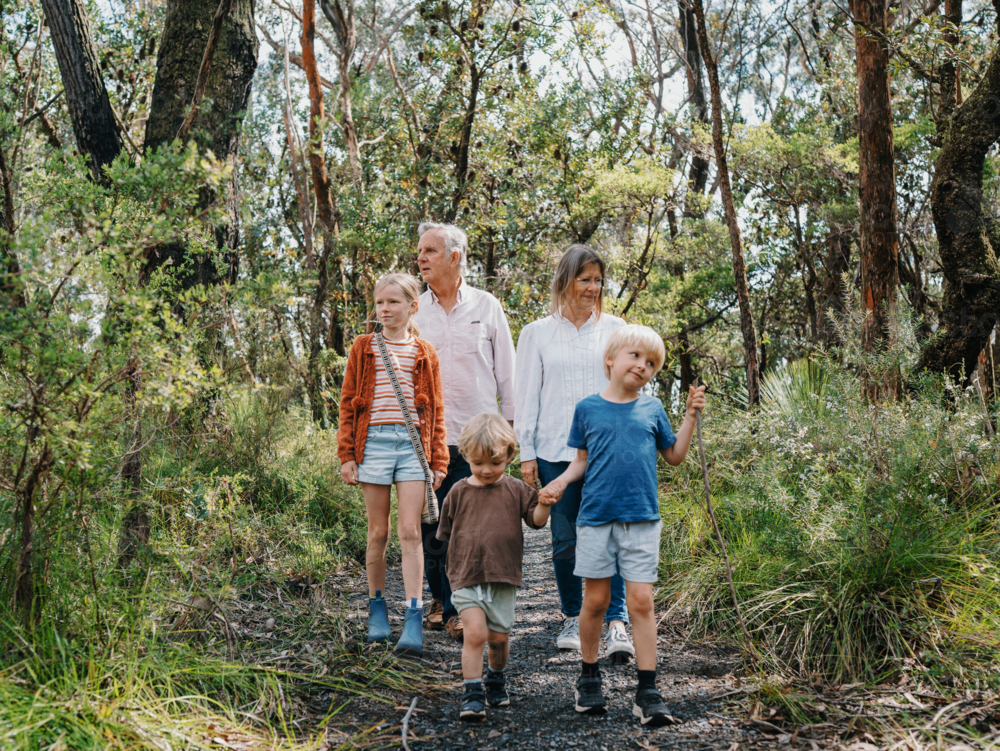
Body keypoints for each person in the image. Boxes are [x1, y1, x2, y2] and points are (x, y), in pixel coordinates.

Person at [539, 325, 707, 727]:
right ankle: (589, 676)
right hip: (596, 518)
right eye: (635, 356)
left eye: (652, 363)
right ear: (610, 360)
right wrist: (560, 481)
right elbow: (580, 461)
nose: (643, 366)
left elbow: (674, 455)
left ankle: (647, 690)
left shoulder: (652, 410)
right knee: (595, 601)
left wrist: (689, 417)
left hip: (643, 519)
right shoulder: (587, 409)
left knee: (641, 602)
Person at [514, 244, 634, 660]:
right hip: (554, 451)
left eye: (598, 280)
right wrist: (526, 452)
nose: (592, 287)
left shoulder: (616, 329)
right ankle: (571, 614)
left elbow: (632, 386)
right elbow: (526, 396)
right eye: (584, 279)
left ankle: (617, 623)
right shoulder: (536, 333)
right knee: (564, 539)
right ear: (565, 281)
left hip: (607, 452)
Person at [414, 222, 516, 642]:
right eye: (420, 251)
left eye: (430, 251)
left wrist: (509, 432)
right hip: (426, 438)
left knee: (470, 527)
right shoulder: (415, 311)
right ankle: (439, 600)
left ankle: (461, 607)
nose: (421, 258)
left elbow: (507, 374)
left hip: (477, 439)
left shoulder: (487, 306)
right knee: (433, 525)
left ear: (454, 257)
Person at [336, 273, 448, 657]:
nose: (384, 309)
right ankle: (377, 609)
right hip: (373, 444)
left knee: (411, 533)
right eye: (380, 303)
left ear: (412, 307)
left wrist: (438, 459)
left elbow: (435, 409)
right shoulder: (363, 347)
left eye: (393, 303)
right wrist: (347, 455)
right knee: (378, 532)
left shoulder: (425, 352)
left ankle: (414, 616)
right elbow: (349, 402)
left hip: (413, 447)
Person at [435, 413, 554, 721]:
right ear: (466, 457)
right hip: (466, 576)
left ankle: (495, 678)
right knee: (474, 633)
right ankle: (472, 693)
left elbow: (537, 522)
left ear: (509, 456)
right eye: (478, 464)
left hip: (502, 577)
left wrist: (544, 502)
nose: (487, 470)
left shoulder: (516, 489)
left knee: (499, 640)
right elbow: (444, 534)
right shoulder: (458, 492)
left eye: (495, 463)